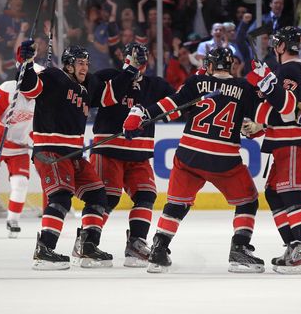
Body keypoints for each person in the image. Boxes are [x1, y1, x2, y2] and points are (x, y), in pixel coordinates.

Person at [123, 47, 265, 274]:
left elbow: (172, 106)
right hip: (224, 158)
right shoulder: (244, 87)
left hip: (189, 153)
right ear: (231, 66)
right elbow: (259, 120)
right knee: (248, 201)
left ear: (209, 65)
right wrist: (257, 127)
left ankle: (159, 249)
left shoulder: (196, 83)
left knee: (177, 203)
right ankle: (239, 248)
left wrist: (143, 115)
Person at [18, 40, 145, 270]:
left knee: (99, 196)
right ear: (67, 65)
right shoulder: (53, 77)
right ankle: (44, 250)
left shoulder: (89, 86)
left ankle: (88, 246)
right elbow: (29, 88)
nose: (84, 67)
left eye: (86, 63)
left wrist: (132, 69)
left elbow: (111, 95)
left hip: (74, 155)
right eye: (79, 63)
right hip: (51, 152)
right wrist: (26, 63)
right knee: (61, 197)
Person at [245, 26, 301, 274]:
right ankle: (294, 244)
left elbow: (287, 107)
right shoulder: (298, 69)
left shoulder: (290, 69)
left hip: (294, 141)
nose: (272, 48)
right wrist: (261, 122)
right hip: (287, 140)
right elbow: (287, 108)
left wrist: (266, 86)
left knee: (291, 192)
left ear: (281, 47)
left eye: (275, 44)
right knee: (274, 193)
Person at [90, 42, 175, 267]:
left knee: (146, 196)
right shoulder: (108, 76)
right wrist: (129, 72)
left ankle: (136, 243)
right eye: (136, 59)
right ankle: (87, 242)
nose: (141, 64)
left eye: (142, 60)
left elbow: (178, 105)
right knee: (107, 198)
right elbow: (100, 99)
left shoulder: (155, 85)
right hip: (109, 151)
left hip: (139, 155)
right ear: (125, 59)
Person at [0, 64, 42, 237]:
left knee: (21, 183)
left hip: (19, 147)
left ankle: (13, 221)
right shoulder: (9, 88)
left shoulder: (43, 99)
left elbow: (37, 128)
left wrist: (39, 143)